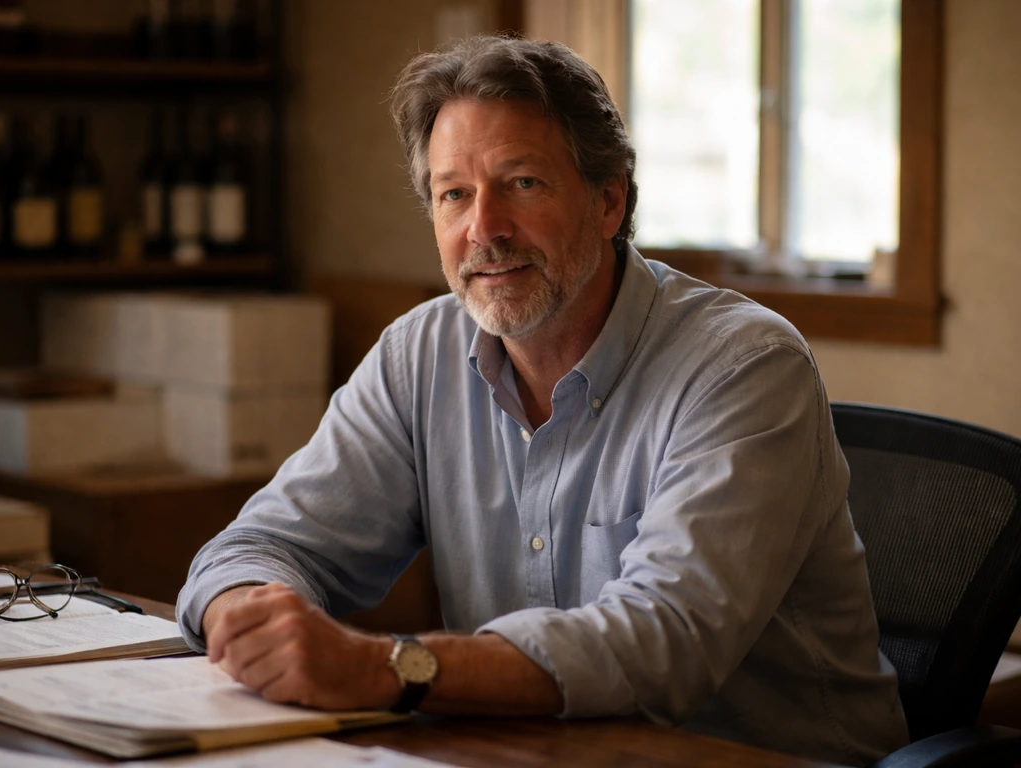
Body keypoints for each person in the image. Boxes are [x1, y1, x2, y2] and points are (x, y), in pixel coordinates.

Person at [177, 35, 909, 766]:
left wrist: (389, 668)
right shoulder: (417, 355)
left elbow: (664, 641)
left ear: (609, 200)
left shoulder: (744, 366)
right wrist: (251, 615)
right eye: (454, 194)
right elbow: (262, 546)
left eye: (523, 183)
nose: (484, 229)